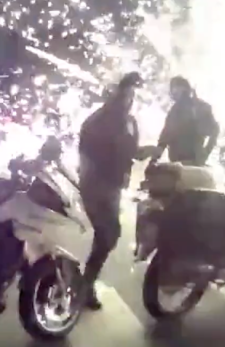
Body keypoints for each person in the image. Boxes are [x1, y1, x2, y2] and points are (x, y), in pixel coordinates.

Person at [76, 71, 144, 310]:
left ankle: (85, 282)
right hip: (97, 186)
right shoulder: (97, 122)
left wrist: (143, 153)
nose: (128, 100)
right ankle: (84, 285)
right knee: (107, 234)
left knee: (109, 236)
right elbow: (87, 155)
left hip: (113, 187)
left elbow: (129, 150)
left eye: (132, 96)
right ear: (113, 95)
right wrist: (91, 185)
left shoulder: (130, 121)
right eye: (124, 95)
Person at [150, 76, 219, 166]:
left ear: (183, 88)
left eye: (174, 88)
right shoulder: (174, 111)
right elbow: (164, 138)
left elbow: (215, 130)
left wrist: (206, 153)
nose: (172, 92)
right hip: (178, 162)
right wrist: (153, 160)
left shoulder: (200, 107)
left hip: (194, 162)